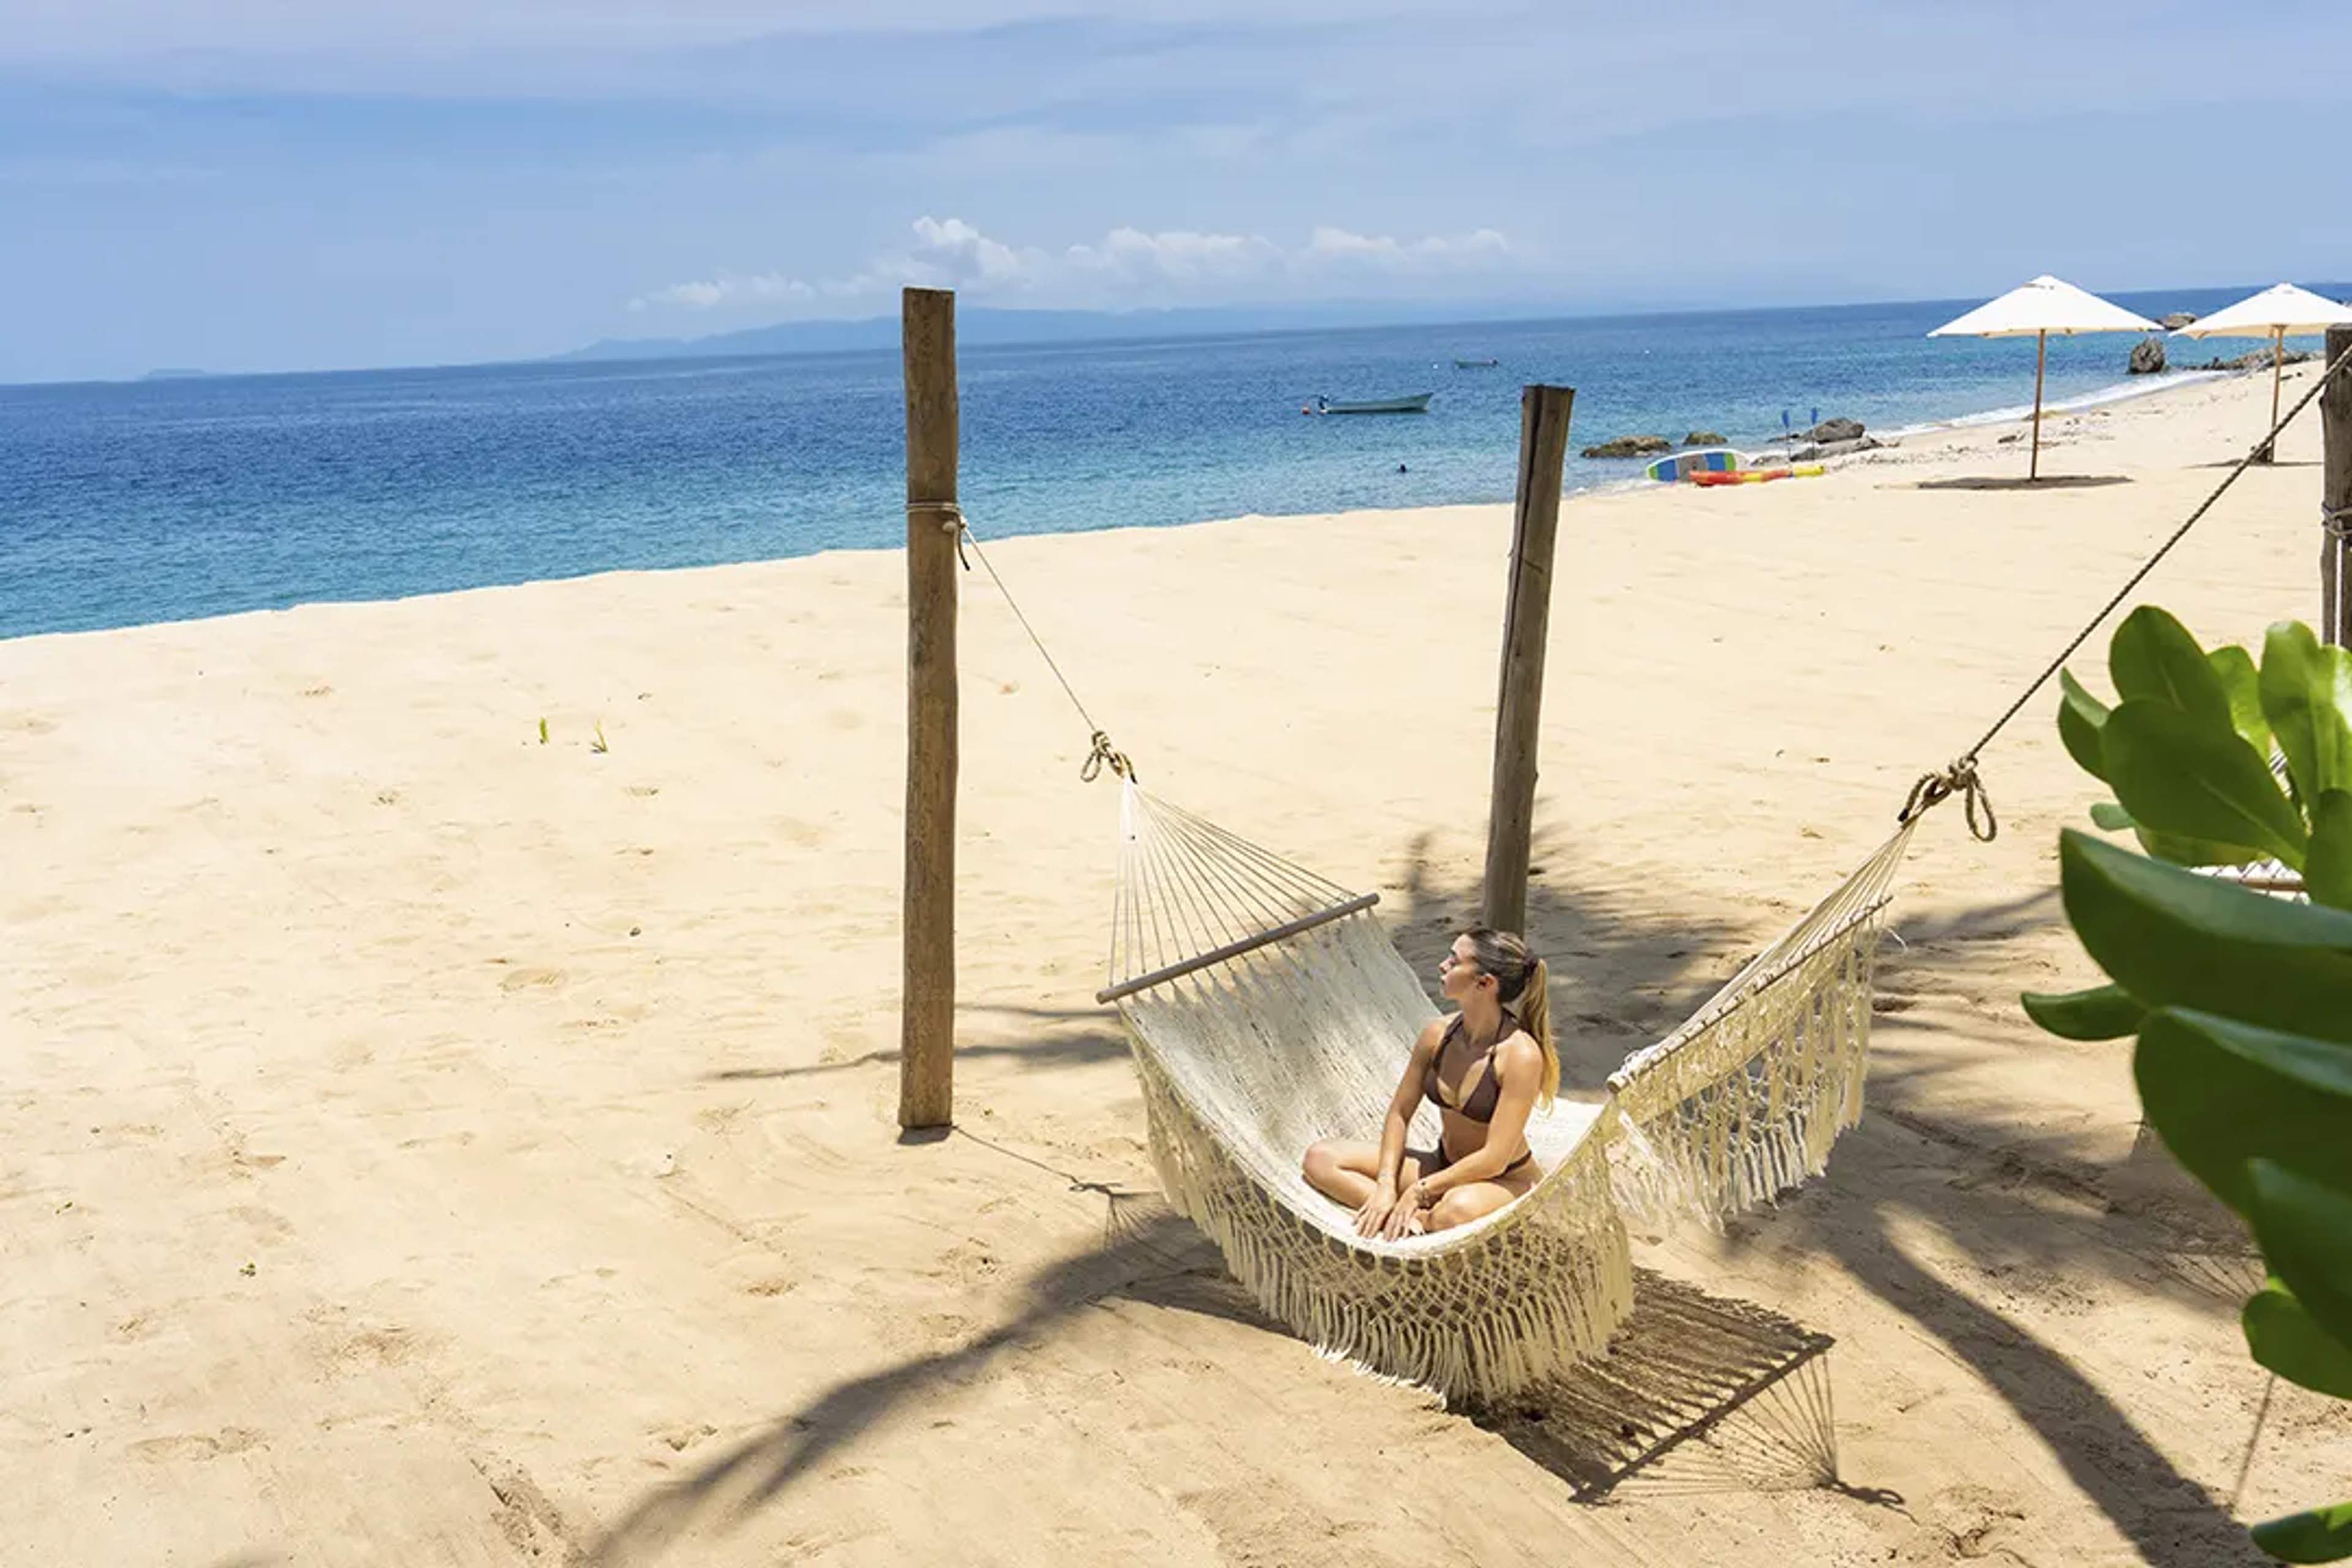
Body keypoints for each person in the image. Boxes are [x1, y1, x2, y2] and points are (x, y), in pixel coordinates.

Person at [1301, 928, 1559, 1238]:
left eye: (1454, 961)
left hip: (1503, 1180)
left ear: (1485, 983)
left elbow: (1495, 1158)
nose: (1442, 966)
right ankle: (1407, 1217)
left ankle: (1418, 1218)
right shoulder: (1438, 1035)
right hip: (1442, 1166)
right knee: (1321, 1158)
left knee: (1455, 1211)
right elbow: (1400, 1112)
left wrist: (1420, 1190)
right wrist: (1384, 1186)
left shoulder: (1520, 1055)